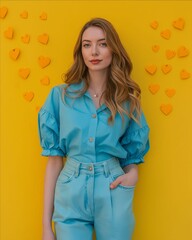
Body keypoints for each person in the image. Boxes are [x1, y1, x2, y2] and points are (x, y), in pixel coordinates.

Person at [38, 17, 150, 240]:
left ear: (113, 49)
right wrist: (45, 226)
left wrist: (133, 175)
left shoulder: (127, 101)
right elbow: (53, 161)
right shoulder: (60, 97)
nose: (94, 52)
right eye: (87, 45)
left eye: (102, 43)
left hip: (113, 187)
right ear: (81, 51)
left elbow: (132, 155)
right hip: (71, 190)